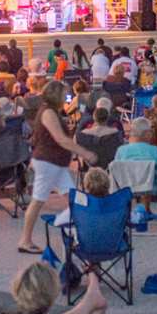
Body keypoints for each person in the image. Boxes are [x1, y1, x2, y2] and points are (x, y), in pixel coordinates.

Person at [18, 80, 96, 254]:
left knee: (73, 198)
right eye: (64, 94)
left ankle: (74, 229)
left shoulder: (52, 111)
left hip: (56, 163)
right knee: (38, 201)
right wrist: (84, 152)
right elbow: (60, 138)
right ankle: (25, 240)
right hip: (48, 163)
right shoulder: (48, 113)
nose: (66, 97)